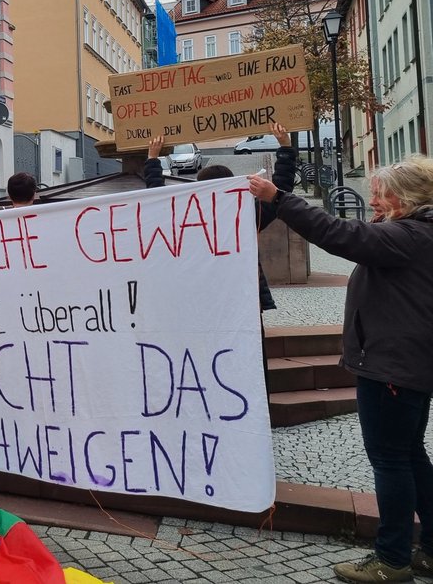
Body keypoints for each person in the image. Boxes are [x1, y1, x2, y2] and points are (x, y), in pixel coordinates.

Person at [248, 156, 433, 584]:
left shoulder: (409, 235)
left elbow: (339, 235)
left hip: (391, 367)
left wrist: (280, 198)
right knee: (410, 456)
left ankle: (391, 560)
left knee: (390, 461)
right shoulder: (415, 233)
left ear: (404, 198)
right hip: (405, 363)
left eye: (381, 193)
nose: (373, 199)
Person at [147, 122, 296, 310]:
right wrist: (285, 146)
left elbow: (158, 201)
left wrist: (153, 159)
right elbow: (280, 191)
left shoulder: (188, 220)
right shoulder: (245, 215)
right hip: (243, 300)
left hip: (200, 300)